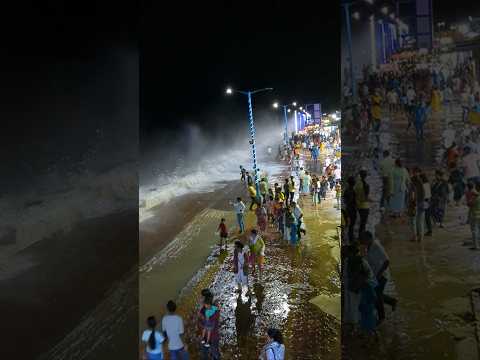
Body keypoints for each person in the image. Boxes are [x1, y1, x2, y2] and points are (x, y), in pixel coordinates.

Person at [360, 231, 397, 325]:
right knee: (376, 294)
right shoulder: (368, 246)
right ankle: (392, 301)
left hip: (381, 276)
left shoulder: (376, 246)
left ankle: (381, 317)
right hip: (374, 275)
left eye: (363, 239)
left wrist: (379, 275)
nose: (362, 241)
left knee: (376, 296)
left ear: (369, 238)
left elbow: (387, 261)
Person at [354, 170, 370, 237]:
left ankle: (360, 235)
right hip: (365, 206)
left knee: (361, 221)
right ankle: (361, 236)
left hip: (358, 205)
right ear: (366, 176)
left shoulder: (357, 184)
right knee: (363, 222)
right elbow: (366, 196)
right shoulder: (366, 185)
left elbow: (355, 194)